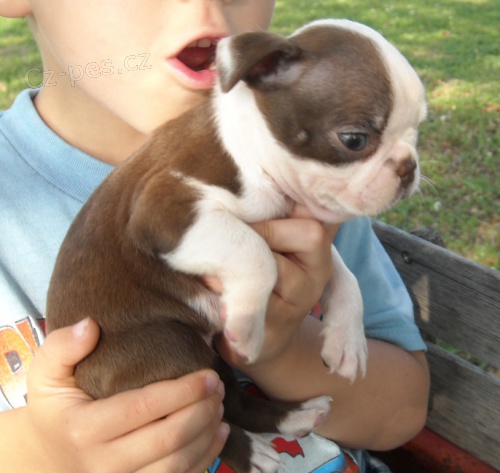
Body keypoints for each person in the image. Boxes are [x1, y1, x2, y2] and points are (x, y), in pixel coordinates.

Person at [0, 1, 430, 472]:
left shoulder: (324, 177)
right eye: (355, 139)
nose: (206, 7)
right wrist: (40, 453)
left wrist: (283, 348)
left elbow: (403, 410)